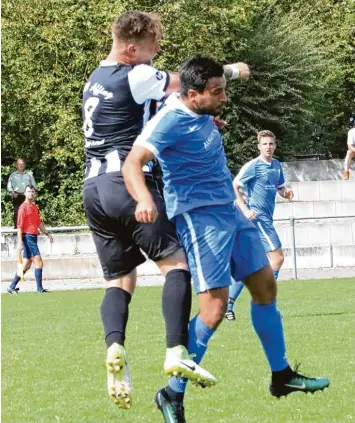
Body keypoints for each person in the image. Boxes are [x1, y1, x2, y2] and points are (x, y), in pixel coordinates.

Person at [122, 56, 330, 423]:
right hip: (200, 218)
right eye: (216, 92)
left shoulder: (196, 108)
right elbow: (132, 162)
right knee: (214, 310)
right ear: (192, 94)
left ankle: (281, 376)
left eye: (223, 89)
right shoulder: (168, 121)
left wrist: (222, 91)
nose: (223, 97)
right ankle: (172, 394)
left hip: (230, 212)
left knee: (266, 285)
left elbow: (201, 101)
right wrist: (142, 198)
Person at [81, 10, 248, 410]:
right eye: (154, 47)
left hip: (93, 189)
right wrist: (233, 71)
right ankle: (176, 351)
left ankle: (115, 345)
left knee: (120, 282)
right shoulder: (135, 73)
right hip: (128, 183)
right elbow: (183, 83)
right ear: (133, 47)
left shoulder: (95, 78)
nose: (157, 55)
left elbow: (155, 110)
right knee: (176, 267)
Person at [225, 130, 294, 321]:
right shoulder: (253, 166)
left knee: (249, 264)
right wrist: (246, 210)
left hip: (266, 219)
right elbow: (234, 186)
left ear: (275, 145)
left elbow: (280, 187)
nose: (268, 147)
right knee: (277, 258)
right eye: (265, 144)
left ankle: (227, 304)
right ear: (259, 146)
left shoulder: (277, 166)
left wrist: (286, 192)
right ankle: (266, 306)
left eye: (271, 144)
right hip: (258, 219)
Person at [7, 185, 53, 294]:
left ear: (35, 194)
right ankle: (39, 289)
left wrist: (47, 233)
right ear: (25, 193)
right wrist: (20, 243)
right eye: (28, 191)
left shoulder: (34, 207)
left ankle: (11, 287)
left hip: (33, 236)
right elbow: (19, 227)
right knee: (39, 262)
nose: (31, 193)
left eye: (32, 192)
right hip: (27, 237)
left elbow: (38, 223)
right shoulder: (23, 208)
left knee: (26, 265)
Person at [7, 158, 37, 229]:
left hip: (27, 196)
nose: (21, 165)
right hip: (16, 195)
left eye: (22, 164)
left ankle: (28, 227)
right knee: (17, 212)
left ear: (24, 165)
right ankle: (17, 229)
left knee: (28, 212)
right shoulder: (12, 175)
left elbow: (34, 186)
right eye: (19, 164)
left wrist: (33, 195)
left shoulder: (29, 174)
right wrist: (12, 192)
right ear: (16, 165)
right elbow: (9, 186)